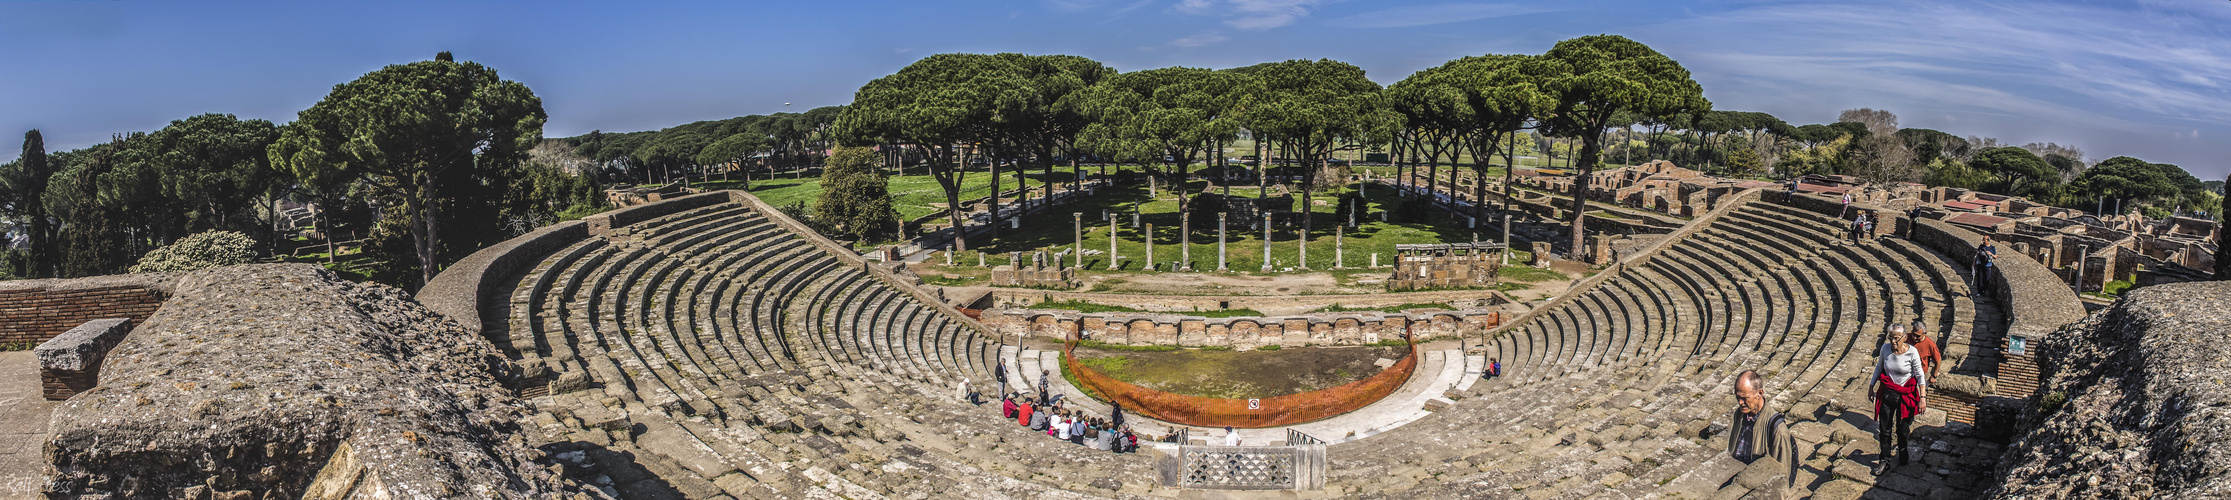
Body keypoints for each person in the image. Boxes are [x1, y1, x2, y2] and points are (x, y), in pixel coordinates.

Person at [1869, 327, 1929, 476]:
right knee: (1884, 430)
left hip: (1905, 396)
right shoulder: (1885, 348)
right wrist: (1871, 387)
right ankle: (1885, 460)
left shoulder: (1912, 352)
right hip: (1888, 394)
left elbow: (1920, 376)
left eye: (1896, 338)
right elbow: (1879, 367)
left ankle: (1903, 453)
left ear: (1903, 337)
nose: (1893, 341)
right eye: (1891, 338)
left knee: (1902, 430)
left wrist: (1922, 398)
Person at [1729, 370, 1797, 493]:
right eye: (1737, 397)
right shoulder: (1739, 414)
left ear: (1760, 393)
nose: (1740, 403)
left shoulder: (1778, 430)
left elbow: (1782, 480)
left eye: (1745, 398)